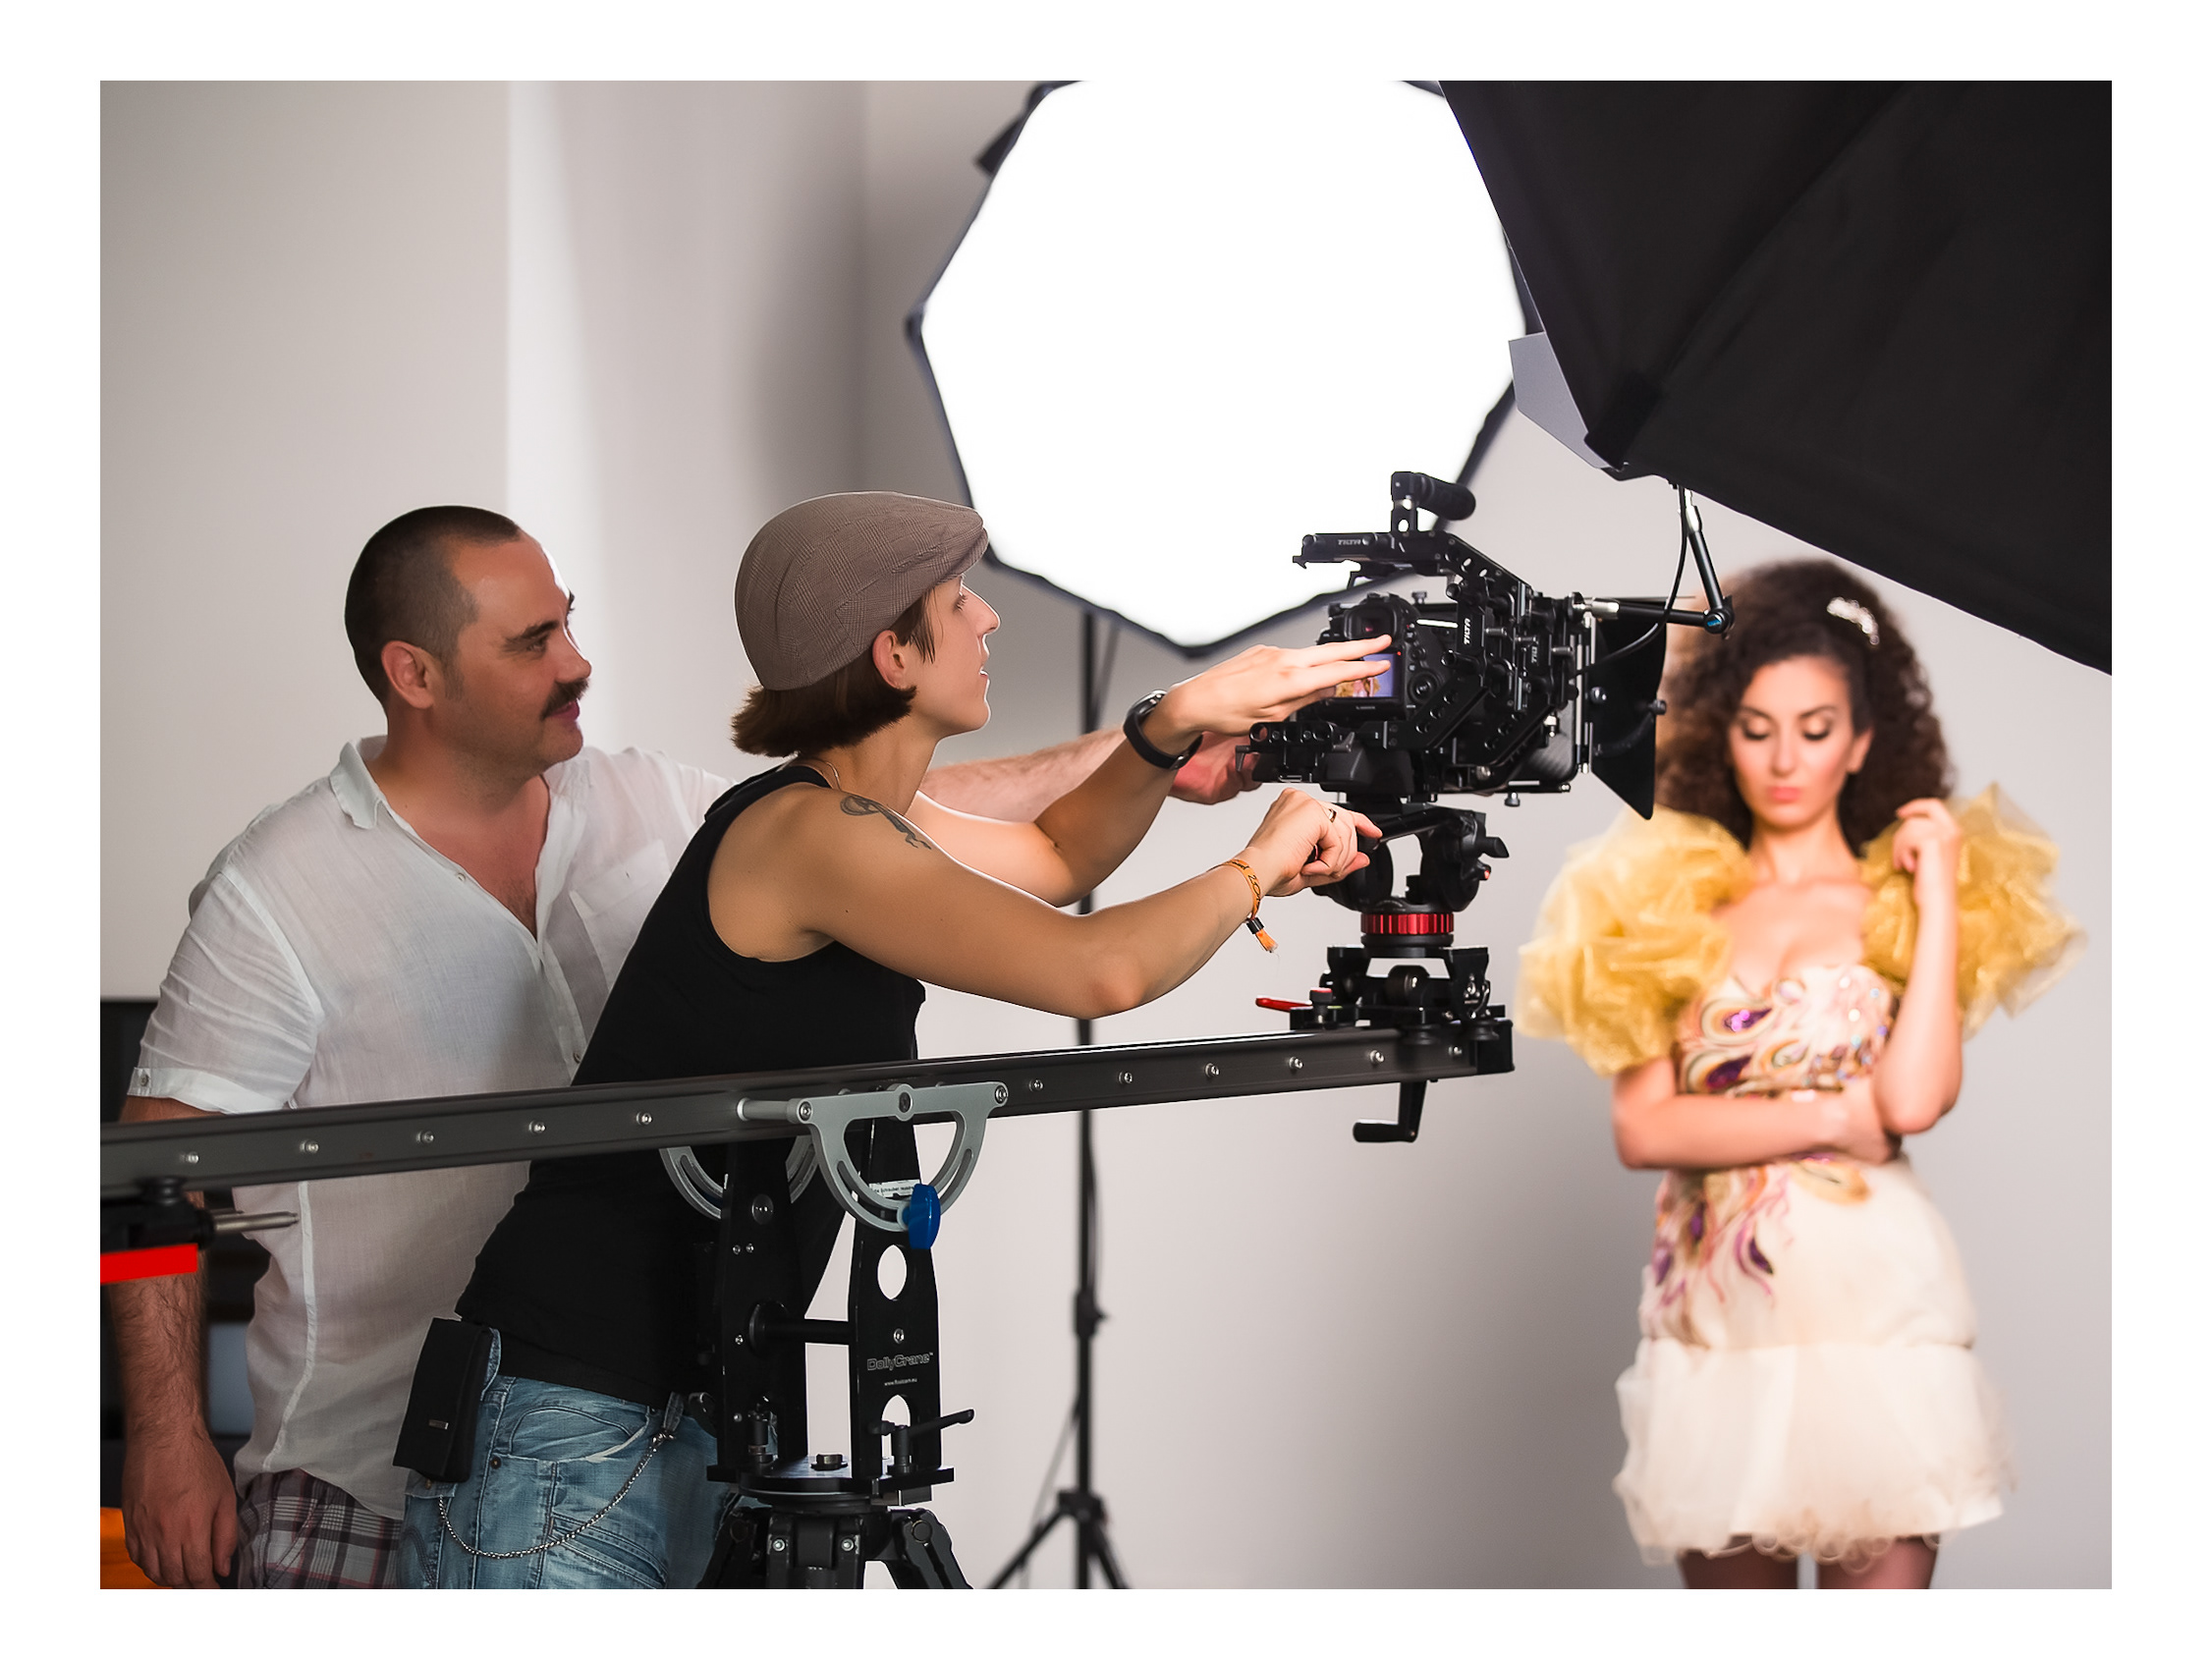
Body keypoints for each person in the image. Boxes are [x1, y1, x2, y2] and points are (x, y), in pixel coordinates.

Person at [110, 503, 1252, 1589]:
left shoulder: (651, 801)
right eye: (533, 641)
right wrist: (165, 1436)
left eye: (569, 621)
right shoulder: (282, 887)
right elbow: (149, 1176)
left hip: (683, 1401)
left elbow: (940, 832)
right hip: (390, 1447)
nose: (577, 661)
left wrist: (1157, 737)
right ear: (415, 673)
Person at [406, 491, 1385, 1587]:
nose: (989, 619)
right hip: (572, 1421)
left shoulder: (854, 817)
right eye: (960, 602)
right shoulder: (807, 835)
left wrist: (1169, 721)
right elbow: (1099, 969)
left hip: (679, 1407)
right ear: (893, 654)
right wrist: (1258, 860)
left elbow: (1060, 855)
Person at [1516, 560, 2081, 1589]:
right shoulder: (1660, 899)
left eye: (1815, 729)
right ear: (1719, 730)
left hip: (1877, 1316)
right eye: (1757, 727)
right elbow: (1644, 1130)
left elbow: (1912, 1102)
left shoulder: (1897, 903)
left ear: (1861, 741)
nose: (1784, 760)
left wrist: (1941, 896)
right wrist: (1832, 1114)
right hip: (1715, 1328)